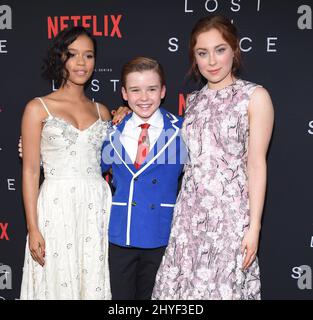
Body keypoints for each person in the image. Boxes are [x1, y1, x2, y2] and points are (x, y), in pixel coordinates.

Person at [152, 15, 274, 300]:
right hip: (188, 218)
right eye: (202, 53)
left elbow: (256, 164)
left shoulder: (254, 97)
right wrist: (120, 118)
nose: (212, 61)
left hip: (230, 218)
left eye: (220, 49)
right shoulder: (193, 101)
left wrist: (253, 226)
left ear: (234, 49)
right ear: (194, 57)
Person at [20, 26, 113, 299]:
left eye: (89, 55)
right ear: (61, 58)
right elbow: (29, 171)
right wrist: (33, 227)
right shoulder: (37, 108)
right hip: (56, 206)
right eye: (73, 55)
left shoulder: (103, 111)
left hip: (96, 206)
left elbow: (111, 162)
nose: (82, 63)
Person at [100, 56, 186, 299]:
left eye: (151, 89)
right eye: (136, 90)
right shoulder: (112, 131)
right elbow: (88, 169)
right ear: (124, 93)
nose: (144, 97)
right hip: (120, 234)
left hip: (162, 234)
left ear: (163, 91)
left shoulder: (182, 131)